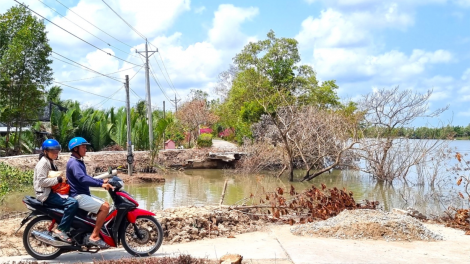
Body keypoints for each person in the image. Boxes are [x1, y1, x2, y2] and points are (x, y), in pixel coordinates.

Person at [66, 137, 113, 249]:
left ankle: (88, 231)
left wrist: (102, 181)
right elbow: (83, 179)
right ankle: (94, 236)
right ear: (76, 148)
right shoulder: (74, 163)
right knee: (105, 207)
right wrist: (101, 185)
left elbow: (86, 177)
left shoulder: (77, 161)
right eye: (83, 147)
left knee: (106, 204)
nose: (86, 149)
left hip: (83, 194)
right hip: (79, 196)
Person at [33, 139, 78, 243]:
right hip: (45, 195)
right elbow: (42, 181)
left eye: (57, 151)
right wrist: (58, 179)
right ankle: (60, 230)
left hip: (51, 192)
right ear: (45, 151)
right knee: (73, 203)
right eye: (52, 151)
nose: (55, 153)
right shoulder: (43, 163)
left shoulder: (50, 162)